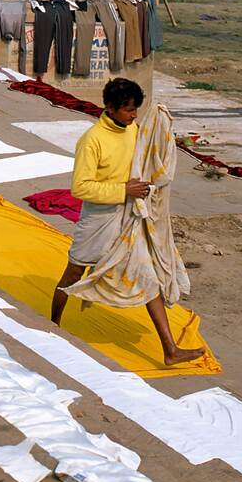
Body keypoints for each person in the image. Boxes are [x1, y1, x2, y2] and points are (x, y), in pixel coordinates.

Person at [50, 77, 205, 367]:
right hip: (99, 221)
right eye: (129, 110)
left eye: (136, 110)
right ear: (110, 108)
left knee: (147, 277)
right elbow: (80, 188)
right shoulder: (92, 140)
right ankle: (52, 324)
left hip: (129, 218)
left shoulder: (134, 130)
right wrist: (124, 190)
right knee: (73, 273)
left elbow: (146, 157)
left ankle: (169, 349)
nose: (134, 116)